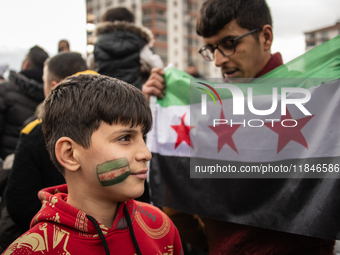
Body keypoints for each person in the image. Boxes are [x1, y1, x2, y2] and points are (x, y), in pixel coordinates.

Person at [143, 0, 335, 254]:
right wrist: (153, 111)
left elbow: (176, 208)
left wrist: (221, 246)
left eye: (229, 43)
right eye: (211, 49)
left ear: (265, 37)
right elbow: (175, 207)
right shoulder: (320, 100)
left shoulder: (327, 103)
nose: (219, 60)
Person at [2, 74, 183, 255]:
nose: (146, 154)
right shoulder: (28, 251)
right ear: (70, 154)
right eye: (124, 138)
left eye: (143, 137)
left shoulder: (161, 227)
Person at [2, 53, 88, 250]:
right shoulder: (108, 127)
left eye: (43, 81)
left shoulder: (35, 132)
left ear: (53, 86)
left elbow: (18, 202)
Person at [93, 7, 163, 90]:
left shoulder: (99, 42)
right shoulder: (138, 41)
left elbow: (92, 65)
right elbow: (156, 65)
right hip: (132, 94)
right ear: (132, 22)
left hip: (104, 93)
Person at [0, 45, 48, 160]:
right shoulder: (52, 94)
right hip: (40, 165)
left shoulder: (5, 90)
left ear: (26, 64)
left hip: (6, 165)